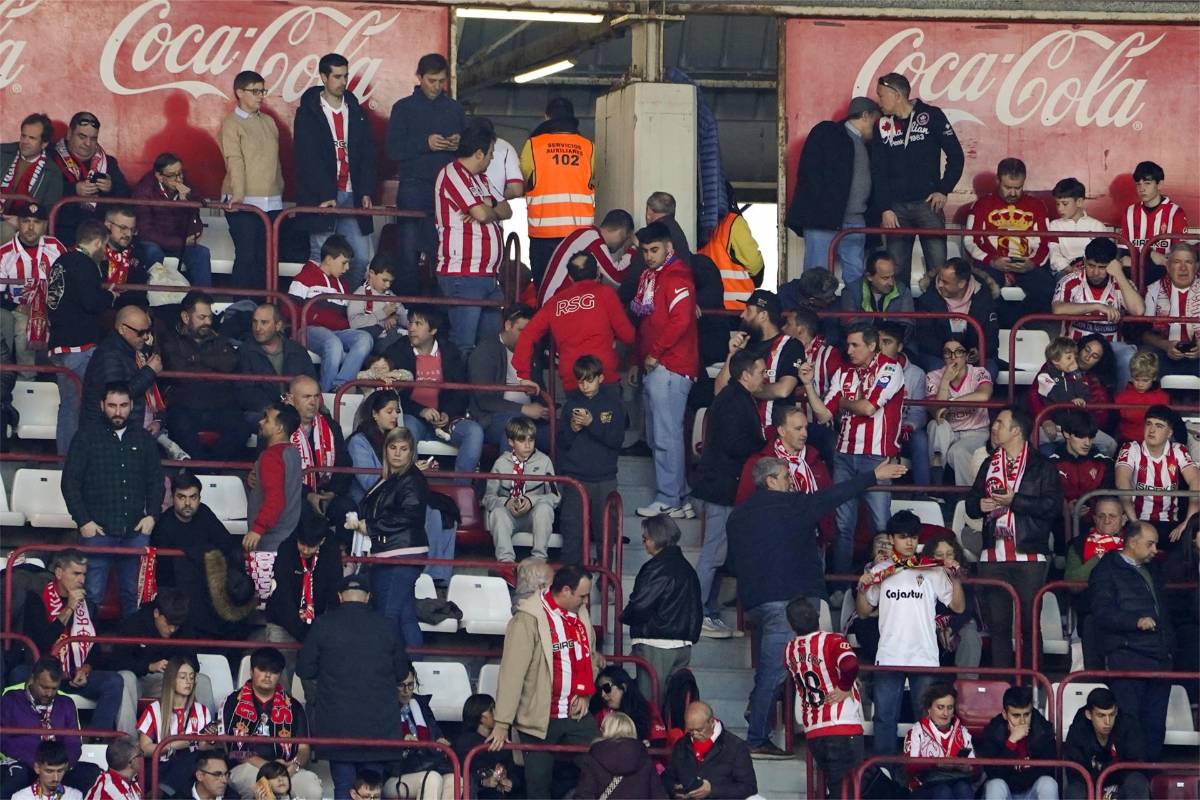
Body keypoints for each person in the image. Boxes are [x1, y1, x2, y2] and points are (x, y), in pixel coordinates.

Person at [735, 456, 907, 756]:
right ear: (771, 481)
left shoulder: (737, 516)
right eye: (785, 476)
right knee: (773, 673)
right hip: (786, 602)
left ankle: (756, 709)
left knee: (770, 668)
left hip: (754, 603)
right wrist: (872, 476)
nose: (791, 480)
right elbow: (834, 496)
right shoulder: (793, 505)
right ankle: (757, 736)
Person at [485, 565, 601, 800]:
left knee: (602, 766)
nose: (586, 601)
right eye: (583, 595)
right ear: (566, 591)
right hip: (538, 718)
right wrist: (502, 722)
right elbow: (512, 673)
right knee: (538, 786)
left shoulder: (580, 613)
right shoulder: (528, 619)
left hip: (575, 713)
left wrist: (586, 693)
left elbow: (590, 656)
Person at [801, 322, 907, 576]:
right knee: (843, 524)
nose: (849, 350)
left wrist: (844, 404)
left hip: (877, 457)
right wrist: (807, 385)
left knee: (881, 525)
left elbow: (869, 407)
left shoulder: (891, 369)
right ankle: (841, 583)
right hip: (845, 456)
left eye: (855, 345)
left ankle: (884, 581)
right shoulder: (843, 373)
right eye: (848, 344)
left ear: (872, 346)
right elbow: (824, 413)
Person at [857, 511, 964, 754]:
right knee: (884, 719)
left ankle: (923, 775)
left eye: (913, 537)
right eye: (903, 537)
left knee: (925, 721)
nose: (909, 542)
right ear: (892, 539)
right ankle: (884, 776)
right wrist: (862, 589)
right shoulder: (879, 570)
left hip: (923, 655)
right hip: (889, 655)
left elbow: (958, 607)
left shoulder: (931, 569)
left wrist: (956, 580)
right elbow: (863, 612)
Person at [296, 574, 410, 800]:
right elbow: (402, 673)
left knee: (344, 788)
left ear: (339, 597)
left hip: (338, 724)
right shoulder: (387, 626)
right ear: (368, 597)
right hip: (379, 725)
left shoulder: (323, 624)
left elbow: (304, 669)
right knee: (371, 791)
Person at [966, 407, 1062, 670]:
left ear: (1016, 431)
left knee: (1029, 626)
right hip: (993, 555)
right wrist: (981, 505)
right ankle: (1003, 691)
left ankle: (1032, 687)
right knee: (998, 627)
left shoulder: (1042, 466)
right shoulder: (989, 462)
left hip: (1029, 555)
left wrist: (1014, 501)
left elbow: (1052, 507)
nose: (994, 427)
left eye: (1000, 423)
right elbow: (971, 503)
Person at [62, 383, 163, 617]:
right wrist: (83, 521)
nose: (118, 411)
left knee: (136, 599)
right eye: (112, 406)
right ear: (102, 406)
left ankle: (133, 652)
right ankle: (88, 652)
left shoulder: (144, 438)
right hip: (97, 532)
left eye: (123, 406)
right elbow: (70, 482)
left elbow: (156, 481)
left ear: (132, 406)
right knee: (91, 597)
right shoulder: (86, 436)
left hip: (136, 530)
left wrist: (152, 516)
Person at [692, 350, 767, 636]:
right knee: (712, 555)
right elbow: (736, 445)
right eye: (761, 371)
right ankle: (698, 613)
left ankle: (708, 611)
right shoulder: (734, 401)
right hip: (720, 489)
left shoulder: (734, 397)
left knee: (719, 555)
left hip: (722, 487)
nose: (765, 376)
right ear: (745, 374)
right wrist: (762, 441)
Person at [630, 221, 700, 519]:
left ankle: (668, 496)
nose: (649, 255)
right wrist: (638, 360)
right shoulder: (650, 277)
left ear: (668, 248)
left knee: (665, 436)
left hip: (671, 366)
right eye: (645, 250)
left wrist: (654, 355)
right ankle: (680, 497)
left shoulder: (677, 277)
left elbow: (680, 322)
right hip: (656, 364)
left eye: (654, 249)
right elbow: (645, 325)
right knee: (665, 434)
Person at [1088, 521, 1175, 761]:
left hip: (1159, 659)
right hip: (1128, 659)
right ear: (1132, 542)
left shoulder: (1153, 569)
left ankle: (1146, 783)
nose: (1155, 549)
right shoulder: (1106, 569)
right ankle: (1132, 781)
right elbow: (1101, 612)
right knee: (1131, 727)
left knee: (1155, 727)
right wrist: (1135, 621)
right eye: (1150, 544)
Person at [22, 553, 135, 735]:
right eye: (76, 574)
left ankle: (98, 741)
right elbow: (42, 641)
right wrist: (69, 609)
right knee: (19, 674)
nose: (82, 580)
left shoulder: (88, 606)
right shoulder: (37, 599)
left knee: (114, 681)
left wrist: (86, 669)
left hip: (75, 675)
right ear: (59, 573)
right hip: (45, 673)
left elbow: (95, 651)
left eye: (84, 574)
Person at [872, 73, 963, 290]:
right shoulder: (882, 124)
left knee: (939, 268)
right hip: (896, 209)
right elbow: (878, 170)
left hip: (927, 205)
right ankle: (903, 321)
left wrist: (943, 189)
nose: (878, 100)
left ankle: (940, 319)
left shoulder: (931, 116)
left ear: (896, 95)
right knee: (896, 269)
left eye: (881, 95)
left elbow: (956, 156)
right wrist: (885, 207)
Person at [293, 52, 376, 289]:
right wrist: (323, 194)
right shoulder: (308, 112)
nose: (343, 81)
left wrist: (367, 191)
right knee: (322, 259)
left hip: (353, 194)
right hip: (323, 197)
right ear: (323, 77)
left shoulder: (355, 110)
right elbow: (306, 158)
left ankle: (343, 304)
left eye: (345, 76)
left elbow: (368, 154)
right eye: (337, 76)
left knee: (360, 258)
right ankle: (321, 306)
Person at [386, 53, 464, 296]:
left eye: (441, 81)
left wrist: (458, 144)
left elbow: (470, 151)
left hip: (447, 189)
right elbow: (392, 150)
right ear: (419, 77)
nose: (437, 86)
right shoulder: (403, 108)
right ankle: (408, 311)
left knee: (445, 252)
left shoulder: (455, 109)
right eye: (432, 80)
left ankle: (439, 312)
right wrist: (425, 143)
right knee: (408, 252)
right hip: (413, 187)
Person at [433, 118, 510, 353]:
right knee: (464, 344)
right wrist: (484, 209)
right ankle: (461, 391)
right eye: (490, 153)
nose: (492, 158)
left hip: (488, 276)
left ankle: (482, 390)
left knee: (490, 346)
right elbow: (481, 213)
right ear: (478, 153)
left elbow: (506, 209)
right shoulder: (452, 174)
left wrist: (489, 209)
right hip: (463, 275)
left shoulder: (481, 179)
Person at [785, 97, 880, 284]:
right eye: (876, 120)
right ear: (866, 116)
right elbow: (809, 172)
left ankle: (853, 313)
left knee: (856, 277)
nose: (877, 127)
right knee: (817, 275)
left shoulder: (870, 146)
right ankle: (814, 314)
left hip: (856, 220)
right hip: (823, 219)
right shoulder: (828, 133)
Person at [351, 426, 429, 648]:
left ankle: (394, 671)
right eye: (392, 447)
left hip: (401, 554)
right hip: (393, 552)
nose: (397, 453)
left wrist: (372, 526)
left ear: (411, 452)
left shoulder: (411, 479)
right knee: (404, 616)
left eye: (403, 449)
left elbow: (410, 515)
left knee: (387, 617)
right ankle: (413, 673)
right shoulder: (390, 478)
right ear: (385, 450)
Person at [383, 304, 484, 474]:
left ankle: (462, 491)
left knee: (474, 432)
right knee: (406, 432)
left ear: (433, 330)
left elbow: (460, 390)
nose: (411, 328)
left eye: (418, 324)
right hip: (412, 416)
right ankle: (408, 488)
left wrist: (447, 413)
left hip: (445, 420)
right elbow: (392, 395)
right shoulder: (398, 350)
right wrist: (421, 411)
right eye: (410, 323)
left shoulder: (449, 352)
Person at [516, 252, 636, 395]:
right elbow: (628, 336)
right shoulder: (606, 293)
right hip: (603, 375)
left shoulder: (554, 302)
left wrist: (523, 375)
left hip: (572, 378)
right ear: (598, 272)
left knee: (578, 416)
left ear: (571, 277)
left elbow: (527, 334)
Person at [782, 597, 863, 797]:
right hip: (842, 725)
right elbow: (850, 664)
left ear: (791, 625)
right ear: (817, 616)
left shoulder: (789, 650)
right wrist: (844, 687)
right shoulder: (832, 640)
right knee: (848, 790)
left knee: (835, 787)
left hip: (814, 731)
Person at [46, 218, 114, 454]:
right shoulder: (85, 264)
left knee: (69, 406)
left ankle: (68, 460)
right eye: (104, 246)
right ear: (96, 242)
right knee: (84, 407)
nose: (105, 252)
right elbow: (91, 303)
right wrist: (110, 296)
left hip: (59, 345)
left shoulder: (60, 261)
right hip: (79, 347)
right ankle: (75, 463)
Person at [621, 515, 702, 706]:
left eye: (645, 538)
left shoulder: (656, 568)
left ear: (656, 538)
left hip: (655, 643)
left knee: (651, 706)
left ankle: (651, 737)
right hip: (683, 645)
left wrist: (625, 616)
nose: (644, 543)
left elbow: (640, 605)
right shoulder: (688, 569)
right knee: (674, 706)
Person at [220, 647, 321, 800]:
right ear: (252, 671)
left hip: (286, 769)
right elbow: (232, 750)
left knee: (312, 789)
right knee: (264, 790)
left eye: (274, 671)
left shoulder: (293, 705)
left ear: (279, 675)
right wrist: (269, 768)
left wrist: (294, 766)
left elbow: (303, 748)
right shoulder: (233, 702)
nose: (268, 675)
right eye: (262, 669)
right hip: (248, 767)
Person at [160, 290, 250, 460]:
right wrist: (212, 367)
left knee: (243, 428)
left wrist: (195, 360)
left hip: (220, 406)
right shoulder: (170, 340)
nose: (208, 322)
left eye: (209, 317)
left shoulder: (219, 339)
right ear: (186, 317)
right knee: (178, 425)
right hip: (185, 406)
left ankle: (211, 467)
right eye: (201, 318)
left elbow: (230, 363)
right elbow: (179, 371)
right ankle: (205, 470)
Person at [556, 355, 626, 567]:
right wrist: (573, 429)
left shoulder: (613, 405)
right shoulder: (571, 405)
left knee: (605, 534)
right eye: (580, 380)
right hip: (575, 478)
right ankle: (571, 581)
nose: (585, 385)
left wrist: (591, 423)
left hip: (604, 479)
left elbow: (616, 440)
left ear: (601, 378)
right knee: (572, 533)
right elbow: (562, 443)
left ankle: (605, 583)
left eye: (589, 379)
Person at [105, 587, 216, 719]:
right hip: (138, 680)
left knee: (203, 681)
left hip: (170, 680)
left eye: (177, 625)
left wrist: (176, 667)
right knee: (124, 678)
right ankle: (128, 739)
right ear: (156, 613)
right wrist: (149, 666)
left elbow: (193, 663)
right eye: (169, 623)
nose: (172, 629)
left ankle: (208, 735)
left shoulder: (185, 626)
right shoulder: (134, 623)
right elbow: (116, 662)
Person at [219, 69, 284, 290]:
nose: (260, 96)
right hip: (243, 200)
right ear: (239, 92)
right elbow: (234, 160)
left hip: (272, 200)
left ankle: (264, 311)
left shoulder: (269, 121)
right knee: (247, 256)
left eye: (262, 90)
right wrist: (238, 195)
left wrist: (280, 187)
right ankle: (243, 308)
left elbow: (276, 160)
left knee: (266, 259)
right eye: (255, 91)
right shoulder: (232, 123)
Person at [0, 657, 101, 797]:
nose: (49, 693)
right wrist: (36, 763)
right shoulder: (11, 700)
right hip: (24, 763)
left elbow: (73, 743)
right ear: (32, 679)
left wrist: (61, 766)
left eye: (54, 688)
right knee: (17, 775)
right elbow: (3, 739)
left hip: (58, 767)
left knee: (92, 773)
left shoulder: (66, 703)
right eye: (44, 687)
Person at [520, 98, 595, 286]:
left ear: (547, 117)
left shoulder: (534, 145)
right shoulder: (588, 147)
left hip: (543, 237)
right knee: (577, 290)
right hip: (578, 236)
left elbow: (524, 177)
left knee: (546, 291)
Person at [1051, 237, 1143, 387]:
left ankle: (1119, 403)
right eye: (1091, 265)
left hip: (1110, 348)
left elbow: (1138, 310)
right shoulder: (1070, 281)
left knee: (1129, 355)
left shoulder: (1122, 283)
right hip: (1076, 346)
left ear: (1113, 265)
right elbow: (1058, 309)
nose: (1095, 272)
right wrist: (1096, 306)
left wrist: (1119, 274)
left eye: (1102, 267)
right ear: (1085, 261)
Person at [264, 515, 342, 692]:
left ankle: (313, 714)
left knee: (316, 676)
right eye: (302, 543)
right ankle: (282, 711)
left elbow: (334, 592)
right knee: (279, 668)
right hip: (283, 620)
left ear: (321, 541)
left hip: (317, 622)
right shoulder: (286, 548)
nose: (305, 550)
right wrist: (304, 634)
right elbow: (282, 597)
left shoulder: (331, 552)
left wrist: (320, 630)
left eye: (311, 546)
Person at [288, 234, 373, 392]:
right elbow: (288, 309)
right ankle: (325, 395)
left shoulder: (343, 286)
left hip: (335, 333)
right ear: (328, 259)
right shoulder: (305, 277)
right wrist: (316, 317)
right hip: (307, 331)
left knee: (364, 338)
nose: (347, 268)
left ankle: (340, 387)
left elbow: (345, 319)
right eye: (344, 263)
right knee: (333, 343)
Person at [714, 289, 805, 434]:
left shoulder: (791, 345)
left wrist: (742, 390)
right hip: (741, 431)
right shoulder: (745, 345)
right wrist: (732, 354)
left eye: (748, 311)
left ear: (763, 315)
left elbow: (783, 390)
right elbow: (719, 391)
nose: (742, 315)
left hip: (775, 433)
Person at [468, 304, 551, 452]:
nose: (527, 337)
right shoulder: (486, 350)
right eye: (522, 331)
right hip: (492, 419)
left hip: (529, 418)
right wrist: (524, 409)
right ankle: (509, 474)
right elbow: (484, 399)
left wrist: (545, 409)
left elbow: (540, 388)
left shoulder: (532, 352)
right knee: (515, 426)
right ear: (508, 325)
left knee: (558, 434)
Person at [1116, 405, 1198, 544]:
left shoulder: (1179, 450)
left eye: (1159, 426)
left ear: (1169, 432)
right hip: (1135, 519)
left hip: (1170, 524)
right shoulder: (1131, 448)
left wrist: (1187, 523)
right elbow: (1122, 481)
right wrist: (1135, 522)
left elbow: (1196, 481)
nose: (1152, 430)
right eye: (1149, 424)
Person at [483, 416, 560, 563]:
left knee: (545, 509)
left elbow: (555, 496)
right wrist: (507, 502)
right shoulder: (500, 463)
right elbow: (488, 498)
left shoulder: (544, 461)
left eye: (531, 440)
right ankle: (506, 563)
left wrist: (532, 500)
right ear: (511, 442)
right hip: (510, 516)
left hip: (533, 516)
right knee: (497, 512)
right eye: (521, 440)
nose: (527, 445)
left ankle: (539, 558)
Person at [0, 202, 65, 377]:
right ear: (18, 223)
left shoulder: (56, 247)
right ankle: (28, 381)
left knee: (67, 327)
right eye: (26, 221)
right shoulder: (4, 254)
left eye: (36, 222)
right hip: (19, 309)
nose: (30, 227)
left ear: (44, 225)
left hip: (52, 308)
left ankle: (61, 380)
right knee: (23, 331)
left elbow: (68, 280)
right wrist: (18, 308)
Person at [135, 655, 213, 799]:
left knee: (192, 757)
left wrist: (211, 741)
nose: (188, 682)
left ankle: (162, 792)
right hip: (158, 769)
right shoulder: (154, 709)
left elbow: (204, 748)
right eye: (183, 677)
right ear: (171, 680)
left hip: (190, 774)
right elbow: (144, 749)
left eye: (191, 677)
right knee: (188, 756)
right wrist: (174, 745)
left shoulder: (201, 710)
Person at [51, 112, 130, 246]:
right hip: (62, 232)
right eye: (82, 136)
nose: (88, 143)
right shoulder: (51, 157)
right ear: (69, 134)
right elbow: (42, 192)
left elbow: (127, 198)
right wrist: (73, 189)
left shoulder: (108, 163)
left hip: (101, 235)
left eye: (93, 138)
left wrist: (111, 188)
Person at [79, 304, 162, 432]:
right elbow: (118, 397)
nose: (146, 337)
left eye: (148, 331)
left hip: (129, 430)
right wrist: (150, 371)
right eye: (141, 333)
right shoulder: (108, 355)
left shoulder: (132, 350)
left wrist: (158, 420)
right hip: (109, 435)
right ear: (122, 329)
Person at [131, 153, 210, 287]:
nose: (178, 179)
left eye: (180, 173)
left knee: (201, 253)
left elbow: (200, 201)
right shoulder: (144, 191)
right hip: (154, 242)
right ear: (159, 176)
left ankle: (203, 302)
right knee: (153, 252)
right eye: (172, 175)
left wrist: (186, 199)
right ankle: (156, 301)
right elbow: (145, 232)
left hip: (179, 241)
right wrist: (180, 242)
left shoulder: (182, 182)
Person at [913, 256, 1000, 376]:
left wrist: (980, 351)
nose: (939, 284)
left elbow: (992, 337)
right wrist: (951, 354)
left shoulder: (984, 299)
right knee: (937, 369)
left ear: (961, 284)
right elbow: (924, 338)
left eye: (945, 282)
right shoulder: (928, 299)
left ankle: (974, 395)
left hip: (973, 358)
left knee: (988, 370)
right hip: (939, 356)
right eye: (939, 279)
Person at [285, 375, 354, 526]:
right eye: (306, 397)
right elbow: (279, 474)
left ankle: (342, 549)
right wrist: (308, 495)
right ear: (291, 399)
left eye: (316, 396)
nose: (313, 402)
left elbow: (344, 464)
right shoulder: (280, 429)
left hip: (326, 494)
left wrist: (331, 493)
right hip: (294, 497)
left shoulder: (331, 426)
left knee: (348, 509)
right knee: (303, 511)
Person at [925, 335, 994, 485]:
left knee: (957, 452)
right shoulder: (933, 376)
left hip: (975, 431)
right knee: (936, 426)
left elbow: (983, 395)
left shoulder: (979, 372)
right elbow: (938, 414)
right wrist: (945, 381)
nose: (953, 357)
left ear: (968, 355)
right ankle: (937, 490)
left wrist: (951, 402)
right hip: (947, 432)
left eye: (959, 352)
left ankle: (965, 498)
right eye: (947, 352)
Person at [236, 303, 318, 426]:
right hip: (263, 413)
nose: (257, 328)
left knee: (329, 424)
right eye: (255, 322)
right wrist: (277, 410)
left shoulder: (297, 350)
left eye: (264, 322)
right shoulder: (244, 351)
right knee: (272, 425)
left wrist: (295, 404)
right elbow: (246, 393)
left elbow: (311, 382)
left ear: (278, 325)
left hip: (297, 409)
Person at [1063, 688, 1149, 800]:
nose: (1107, 722)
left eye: (1111, 714)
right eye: (1101, 715)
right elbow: (1075, 774)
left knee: (1137, 782)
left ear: (1116, 711)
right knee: (1074, 791)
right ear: (1089, 714)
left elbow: (1138, 765)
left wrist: (1107, 776)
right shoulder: (1078, 731)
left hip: (1121, 786)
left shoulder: (1129, 726)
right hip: (1089, 788)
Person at [535, 209, 635, 306]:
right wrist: (634, 248)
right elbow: (617, 277)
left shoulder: (585, 232)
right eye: (626, 239)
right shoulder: (594, 240)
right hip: (554, 306)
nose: (623, 245)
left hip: (550, 303)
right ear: (622, 233)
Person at [383, 667, 455, 800]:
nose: (406, 691)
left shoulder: (421, 706)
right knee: (432, 779)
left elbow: (437, 734)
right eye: (401, 685)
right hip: (394, 775)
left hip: (425, 765)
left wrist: (440, 741)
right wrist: (401, 742)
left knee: (454, 781)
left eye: (410, 685)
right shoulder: (383, 709)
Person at [976, 686, 1058, 800]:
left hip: (1031, 791)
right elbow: (993, 773)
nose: (1022, 721)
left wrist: (1016, 777)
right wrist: (1011, 742)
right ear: (1005, 714)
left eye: (1027, 714)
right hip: (1006, 790)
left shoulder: (1043, 730)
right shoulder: (993, 731)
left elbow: (1048, 769)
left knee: (1048, 784)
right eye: (1016, 715)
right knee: (995, 785)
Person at [663, 701, 757, 800]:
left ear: (711, 722)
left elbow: (749, 787)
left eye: (699, 730)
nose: (695, 734)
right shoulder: (682, 744)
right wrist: (675, 789)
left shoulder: (736, 746)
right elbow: (668, 776)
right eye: (691, 730)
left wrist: (712, 790)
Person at [245, 402, 303, 557]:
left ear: (279, 429)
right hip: (288, 536)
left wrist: (257, 529)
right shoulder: (293, 453)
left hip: (270, 542)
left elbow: (275, 499)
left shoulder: (271, 456)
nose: (260, 422)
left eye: (267, 420)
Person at [877, 321, 929, 485]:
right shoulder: (868, 368)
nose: (881, 348)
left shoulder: (916, 374)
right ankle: (883, 494)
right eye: (878, 342)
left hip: (904, 430)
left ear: (899, 347)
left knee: (920, 439)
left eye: (887, 342)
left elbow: (919, 413)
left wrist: (909, 426)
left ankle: (923, 493)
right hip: (878, 429)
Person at [903, 683, 976, 800]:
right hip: (923, 786)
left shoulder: (963, 732)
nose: (945, 713)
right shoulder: (917, 731)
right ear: (929, 709)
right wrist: (937, 763)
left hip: (956, 781)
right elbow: (909, 766)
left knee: (964, 789)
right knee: (943, 791)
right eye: (940, 707)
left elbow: (976, 769)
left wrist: (967, 767)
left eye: (950, 707)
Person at [922, 534, 983, 668]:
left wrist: (951, 628)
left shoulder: (963, 576)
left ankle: (967, 685)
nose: (945, 560)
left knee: (970, 635)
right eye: (939, 555)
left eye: (949, 554)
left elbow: (966, 611)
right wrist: (938, 629)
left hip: (956, 624)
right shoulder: (921, 576)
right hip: (929, 626)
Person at [574, 712, 666, 800]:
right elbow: (659, 795)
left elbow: (584, 795)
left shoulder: (593, 758)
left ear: (604, 731)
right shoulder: (644, 759)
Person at [1140, 242, 1199, 378]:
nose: (1183, 268)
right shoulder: (1153, 290)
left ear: (1196, 267)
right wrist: (1165, 345)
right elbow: (1143, 334)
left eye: (1188, 262)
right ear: (1167, 266)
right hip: (1163, 351)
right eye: (1177, 262)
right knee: (1145, 358)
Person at [1120, 160, 1188, 276]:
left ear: (1159, 184)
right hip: (1133, 275)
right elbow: (1122, 252)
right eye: (1138, 184)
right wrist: (1151, 255)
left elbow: (1179, 257)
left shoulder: (1176, 213)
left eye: (1147, 183)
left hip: (1164, 276)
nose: (1141, 189)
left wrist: (1136, 261)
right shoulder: (1130, 211)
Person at [454, 695, 518, 799]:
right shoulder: (464, 743)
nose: (496, 714)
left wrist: (511, 782)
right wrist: (483, 781)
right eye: (491, 710)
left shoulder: (501, 740)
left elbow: (514, 771)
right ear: (479, 716)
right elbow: (460, 775)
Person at [1, 112, 64, 211]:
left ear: (44, 144)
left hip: (24, 223)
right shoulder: (2, 152)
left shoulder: (52, 172)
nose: (25, 141)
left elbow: (49, 211)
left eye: (32, 138)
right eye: (23, 136)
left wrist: (18, 221)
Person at [1047, 178, 1109, 275]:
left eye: (1065, 204)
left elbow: (1104, 255)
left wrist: (1088, 269)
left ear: (1079, 202)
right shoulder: (1055, 225)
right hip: (1065, 271)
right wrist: (1068, 269)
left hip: (1092, 271)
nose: (1060, 208)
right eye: (1057, 204)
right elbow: (1054, 253)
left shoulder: (1097, 226)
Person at [348, 255, 407, 353]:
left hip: (393, 338)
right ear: (371, 273)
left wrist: (395, 317)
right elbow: (354, 323)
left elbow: (406, 322)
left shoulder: (391, 296)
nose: (388, 285)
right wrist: (383, 314)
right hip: (372, 343)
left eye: (390, 281)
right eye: (384, 280)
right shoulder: (359, 295)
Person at [840, 251, 914, 329]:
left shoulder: (903, 291)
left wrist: (889, 338)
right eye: (885, 278)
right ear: (869, 276)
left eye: (892, 276)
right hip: (862, 340)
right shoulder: (851, 292)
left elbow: (907, 325)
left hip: (893, 339)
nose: (891, 283)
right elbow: (850, 325)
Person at [1113, 350, 1170, 444]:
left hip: (1156, 444)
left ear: (1154, 377)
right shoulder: (1121, 397)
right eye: (1136, 379)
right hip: (1127, 442)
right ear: (1131, 376)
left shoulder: (1164, 398)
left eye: (1145, 380)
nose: (1140, 384)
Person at [9, 740, 83, 800]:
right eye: (49, 771)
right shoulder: (20, 797)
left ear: (66, 767)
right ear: (37, 768)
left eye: (60, 771)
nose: (55, 778)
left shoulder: (75, 796)